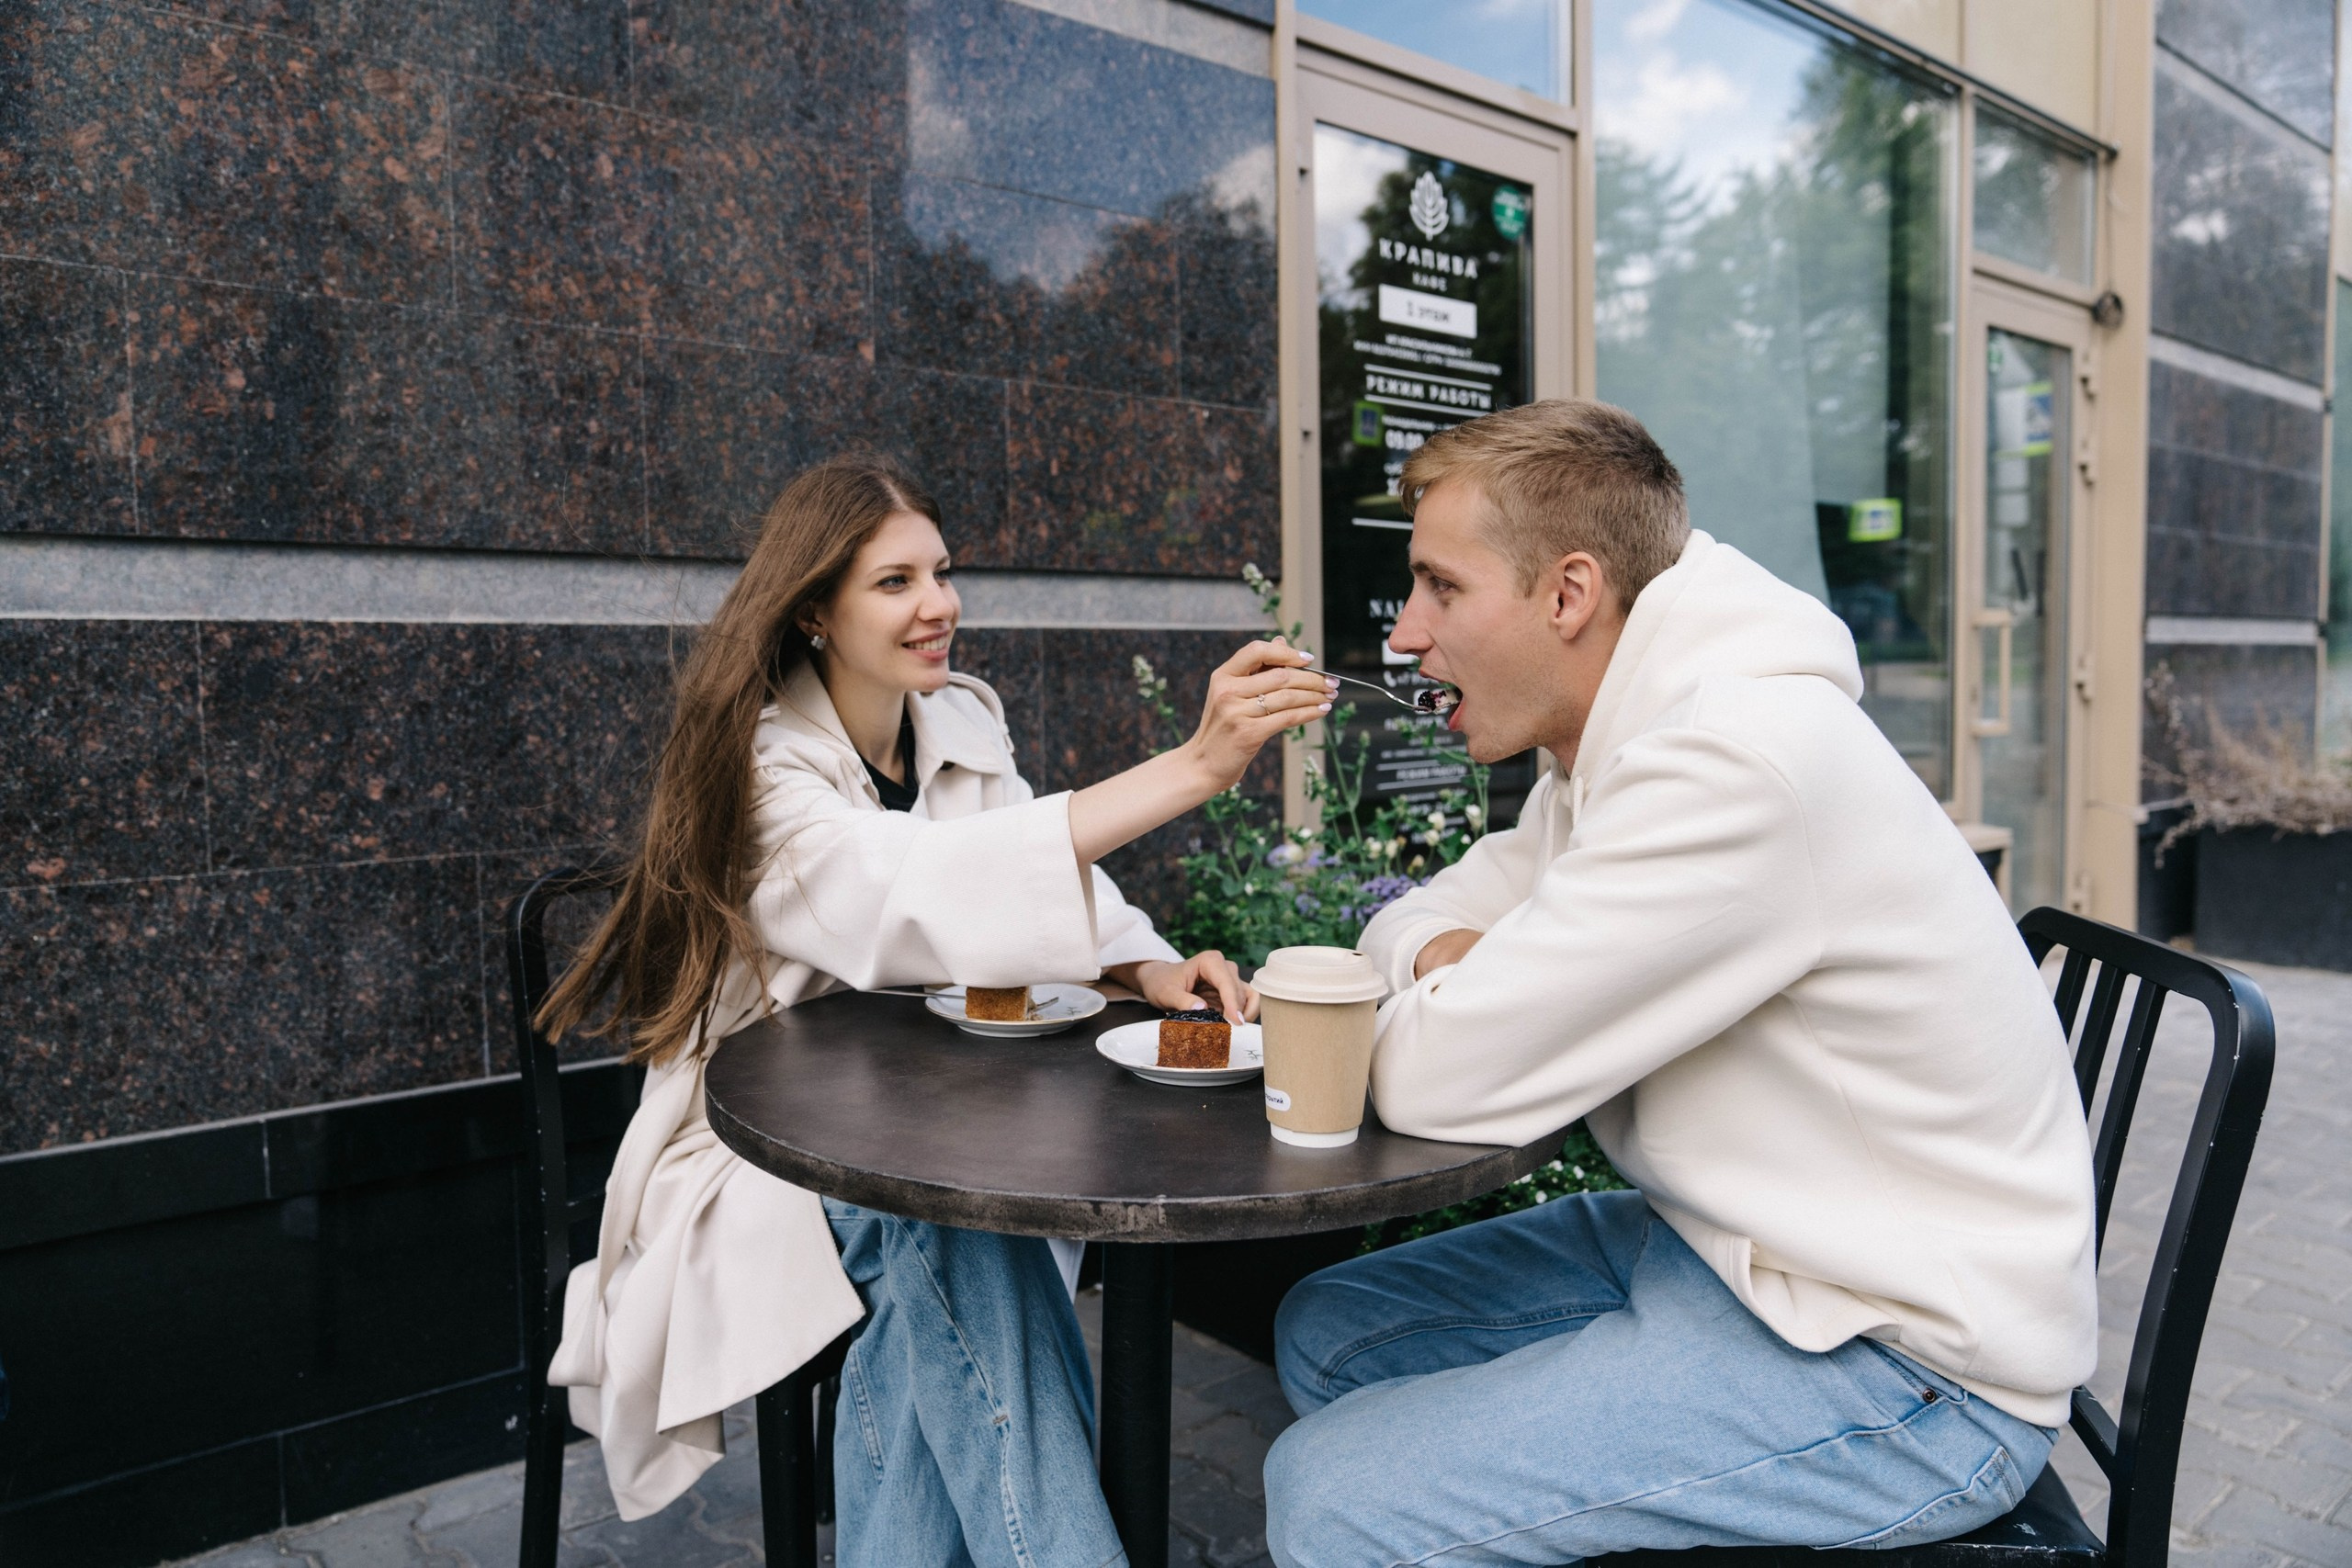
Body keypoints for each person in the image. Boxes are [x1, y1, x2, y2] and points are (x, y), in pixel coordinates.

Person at [1262, 400, 2098, 1566]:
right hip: (1743, 1252)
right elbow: (1410, 921)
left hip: (1910, 1364)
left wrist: (1459, 981)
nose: (1404, 633)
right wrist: (1446, 960)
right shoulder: (1616, 749)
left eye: (1439, 588)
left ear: (1568, 593)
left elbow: (1439, 1080)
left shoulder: (1734, 765)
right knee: (1330, 1330)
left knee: (1332, 1496)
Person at [537, 454, 1334, 1567]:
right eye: (896, 582)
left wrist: (1146, 966)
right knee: (960, 1229)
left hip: (950, 1123)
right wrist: (1195, 766)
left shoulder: (957, 719)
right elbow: (910, 894)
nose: (938, 605)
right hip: (766, 1158)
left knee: (944, 1266)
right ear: (813, 608)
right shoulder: (764, 768)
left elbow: (1037, 881)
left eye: (943, 573)